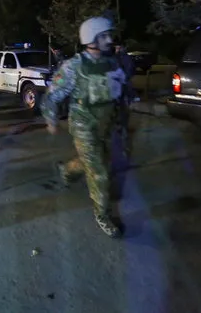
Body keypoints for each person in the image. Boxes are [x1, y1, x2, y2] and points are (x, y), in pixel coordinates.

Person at [41, 16, 128, 238]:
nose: (110, 39)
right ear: (91, 39)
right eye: (104, 36)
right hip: (84, 124)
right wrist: (51, 119)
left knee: (99, 161)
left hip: (106, 123)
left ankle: (67, 170)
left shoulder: (112, 62)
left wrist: (122, 117)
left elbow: (119, 92)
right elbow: (51, 95)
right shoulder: (74, 66)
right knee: (99, 171)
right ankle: (103, 215)